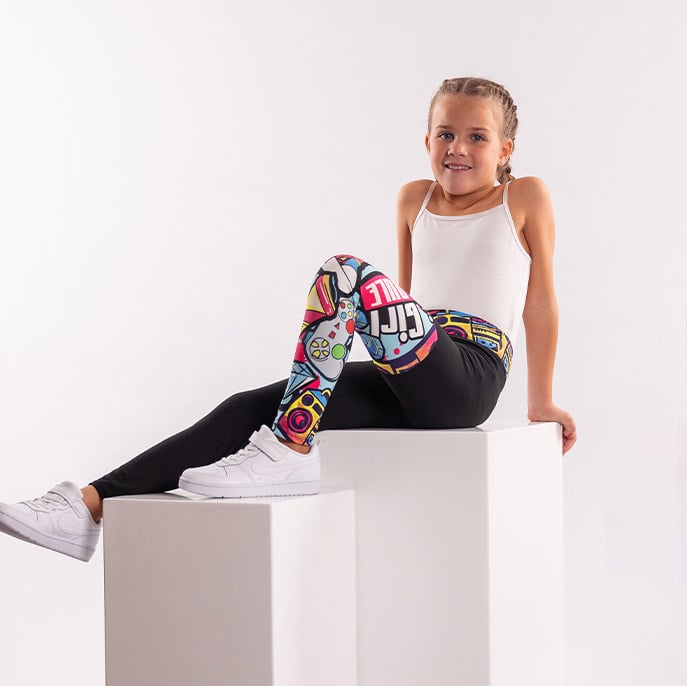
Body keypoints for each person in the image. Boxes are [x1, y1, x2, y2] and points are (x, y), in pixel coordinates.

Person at [0, 77, 577, 563]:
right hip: (410, 364)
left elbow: (540, 301)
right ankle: (86, 509)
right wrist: (339, 374)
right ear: (427, 140)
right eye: (445, 134)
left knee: (344, 273)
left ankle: (289, 447)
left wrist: (541, 402)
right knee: (249, 406)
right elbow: (404, 300)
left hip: (469, 376)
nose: (458, 148)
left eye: (477, 137)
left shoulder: (524, 197)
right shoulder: (414, 199)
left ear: (505, 149)